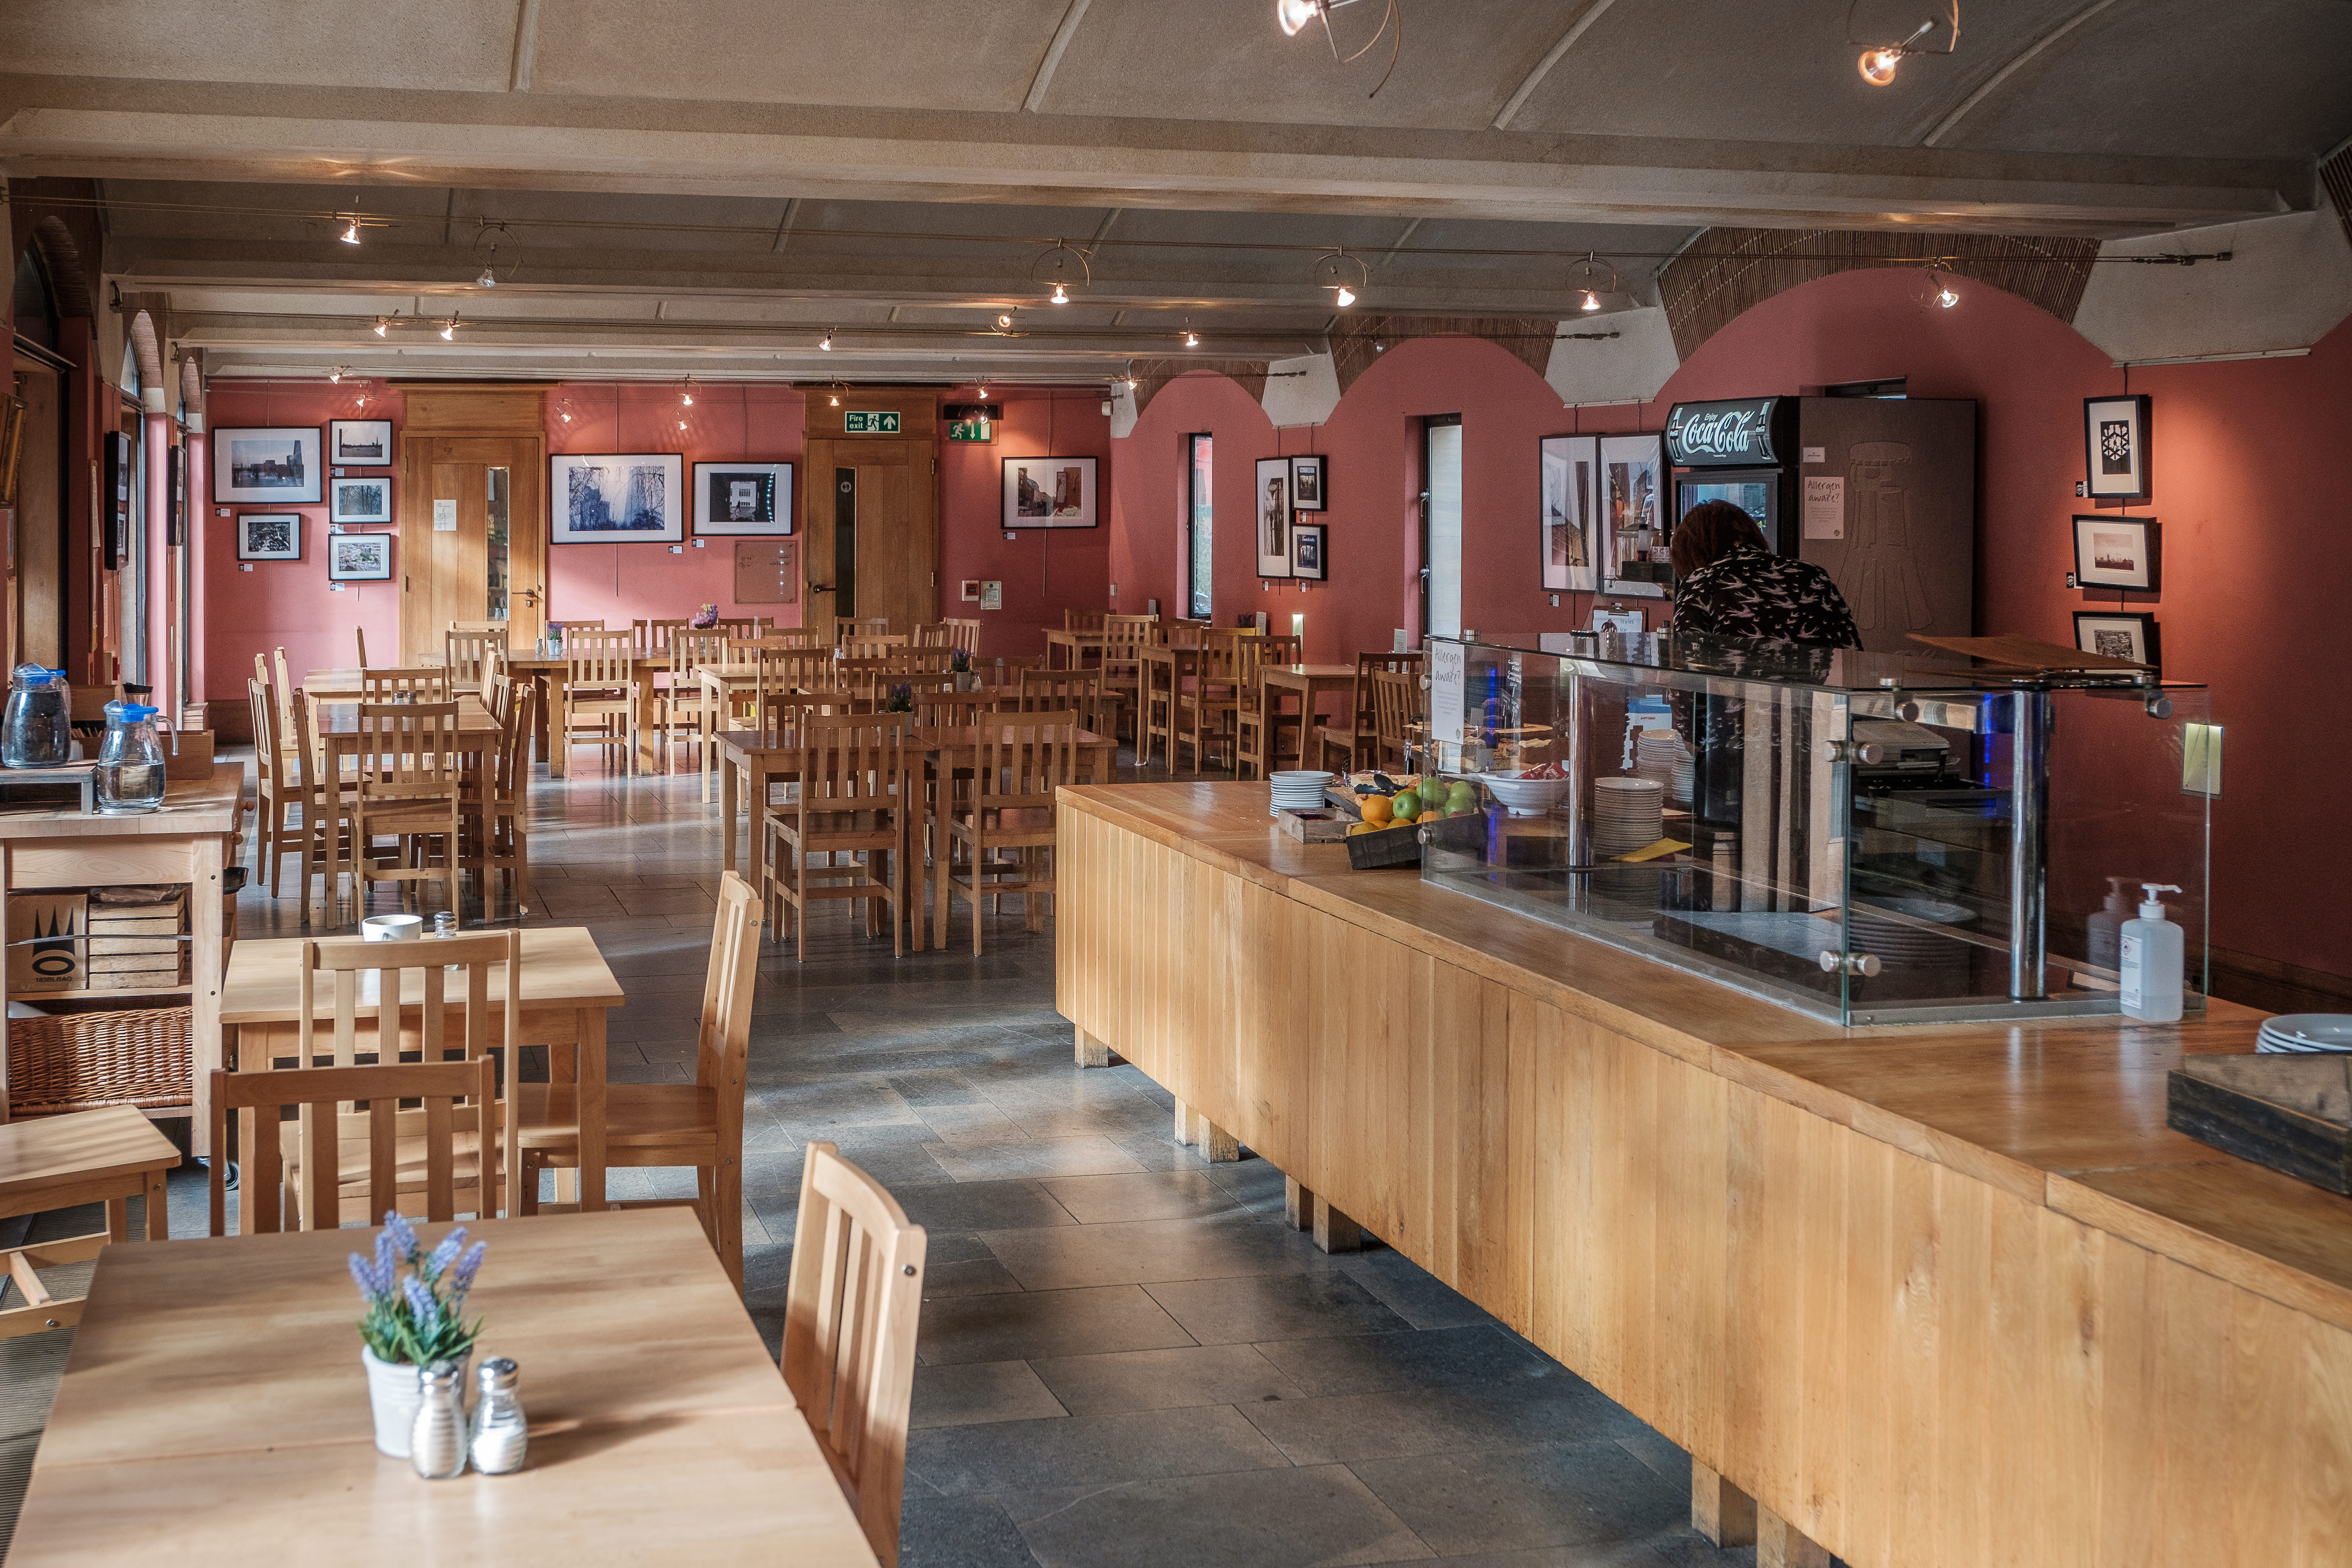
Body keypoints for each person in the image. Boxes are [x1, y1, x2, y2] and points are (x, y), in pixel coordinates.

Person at [1668, 500, 1860, 650]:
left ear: (1692, 550)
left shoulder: (1702, 581)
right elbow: (1850, 651)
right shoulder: (1812, 574)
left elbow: (1689, 662)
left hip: (1737, 697)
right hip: (1809, 698)